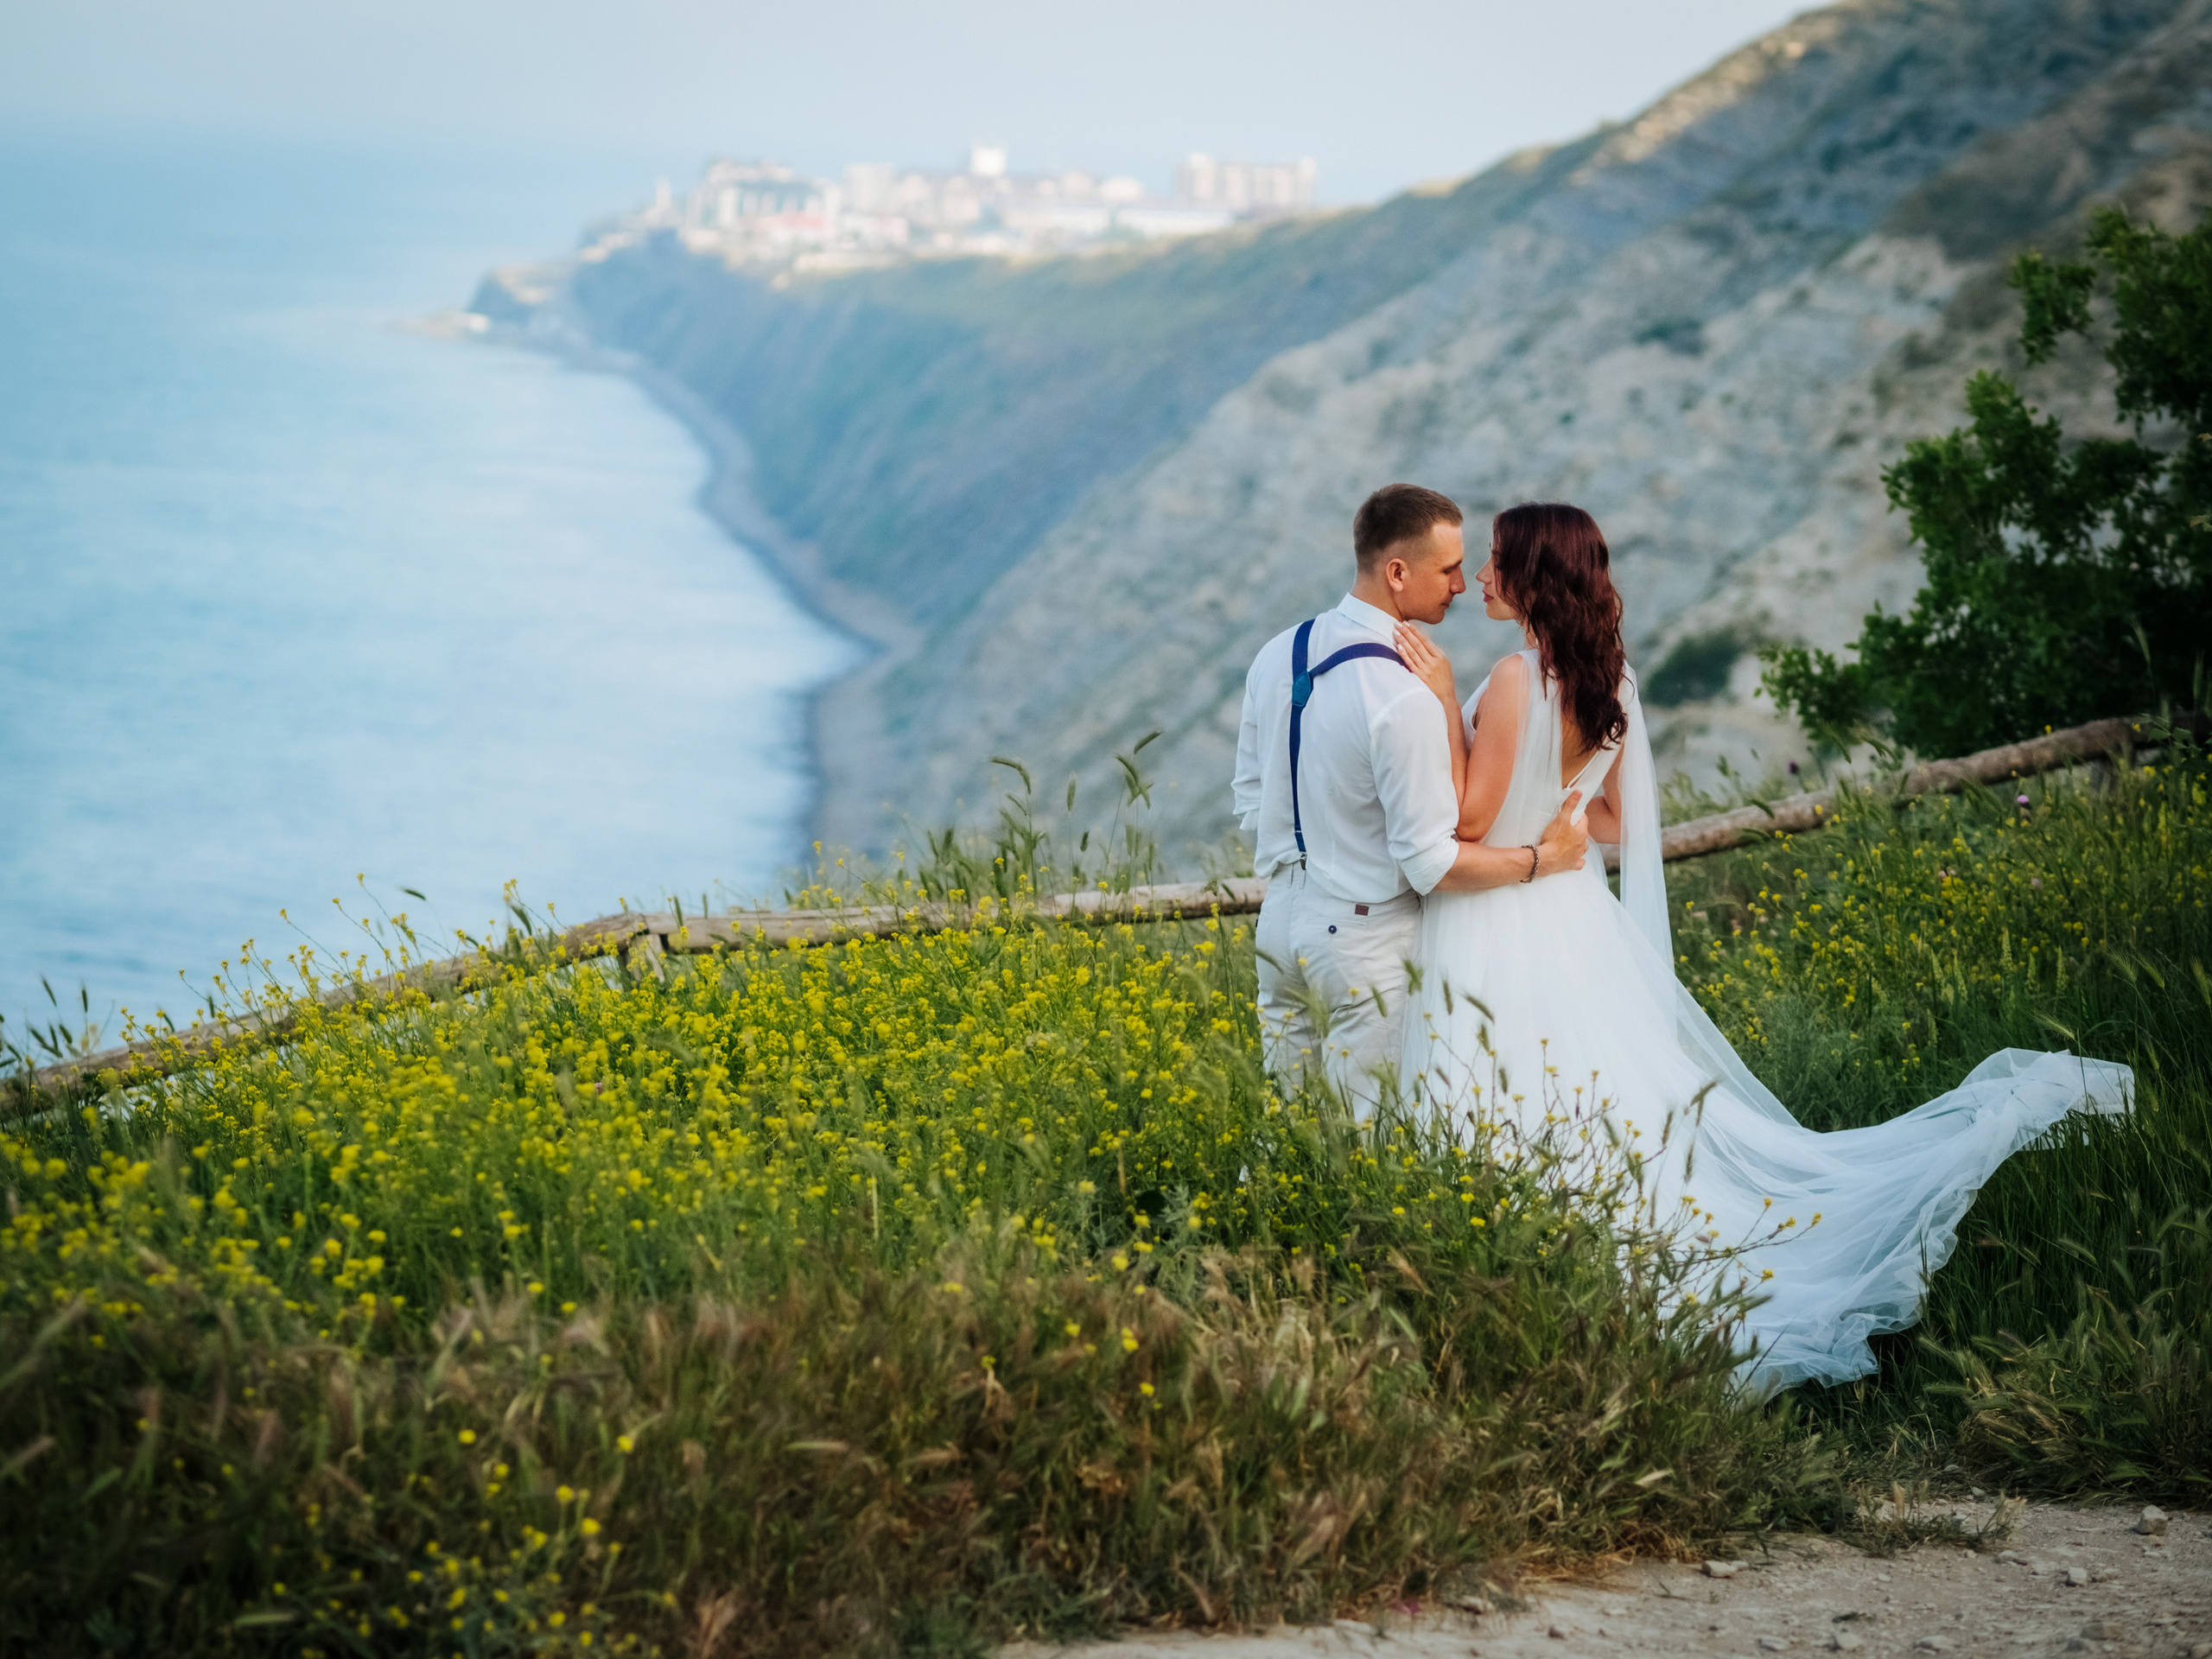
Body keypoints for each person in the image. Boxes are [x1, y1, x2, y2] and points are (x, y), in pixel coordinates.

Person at [1389, 501, 2134, 1392]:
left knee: (1511, 1102)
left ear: (1534, 575)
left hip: (1504, 919)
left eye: (1496, 562)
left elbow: (1468, 820)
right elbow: (1619, 822)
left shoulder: (1514, 679)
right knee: (1594, 1109)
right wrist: (1555, 814)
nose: (1480, 578)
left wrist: (1441, 700)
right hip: (1575, 917)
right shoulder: (1608, 680)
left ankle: (1519, 1295)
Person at [1232, 484, 1591, 1109]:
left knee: (1287, 1130)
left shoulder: (1276, 655)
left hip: (1279, 924)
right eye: (1449, 569)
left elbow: (1249, 798)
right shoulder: (1404, 694)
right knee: (1365, 1138)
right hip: (1362, 940)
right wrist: (1542, 861)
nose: (1461, 584)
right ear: (1397, 572)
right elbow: (1432, 863)